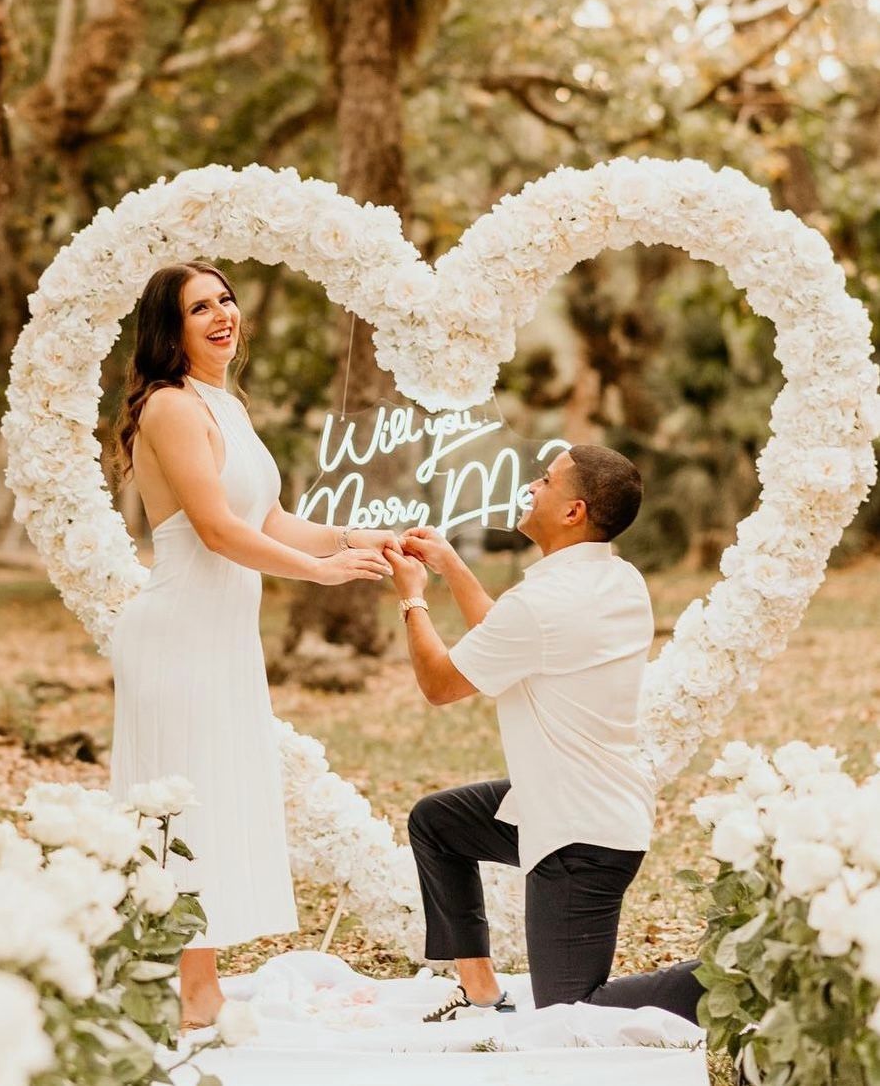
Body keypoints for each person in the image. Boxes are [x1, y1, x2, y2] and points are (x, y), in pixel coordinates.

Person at [109, 260, 399, 1028]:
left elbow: (268, 520)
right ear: (168, 331)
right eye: (198, 307)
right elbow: (215, 529)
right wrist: (319, 572)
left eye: (226, 299)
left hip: (222, 639)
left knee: (213, 797)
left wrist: (360, 536)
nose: (220, 315)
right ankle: (186, 990)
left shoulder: (224, 407)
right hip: (176, 637)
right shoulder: (172, 407)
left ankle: (192, 986)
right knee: (185, 808)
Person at [386, 444, 703, 1024]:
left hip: (579, 835)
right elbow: (508, 637)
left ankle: (738, 977)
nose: (531, 485)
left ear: (573, 511)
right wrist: (452, 565)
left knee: (571, 1011)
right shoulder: (617, 578)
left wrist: (412, 596)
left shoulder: (542, 604)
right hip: (579, 804)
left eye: (546, 480)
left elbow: (440, 684)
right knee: (438, 823)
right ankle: (481, 990)